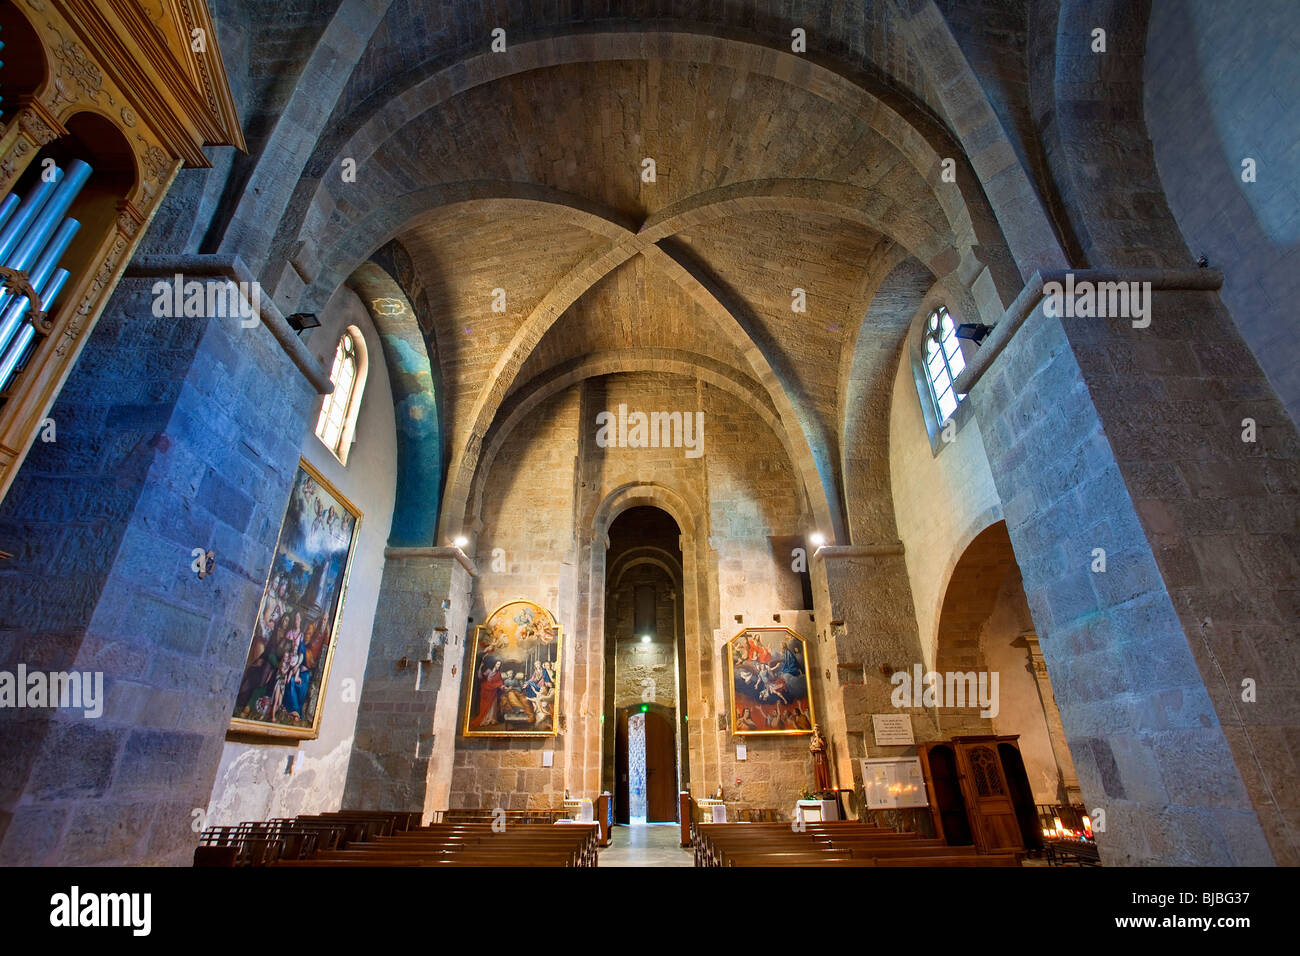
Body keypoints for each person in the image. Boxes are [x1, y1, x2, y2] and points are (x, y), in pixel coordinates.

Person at [470, 660, 504, 728]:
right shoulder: (488, 671)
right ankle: (485, 720)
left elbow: (500, 682)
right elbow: (480, 677)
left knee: (493, 705)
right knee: (485, 705)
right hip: (486, 690)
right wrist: (480, 667)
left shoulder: (499, 673)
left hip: (493, 691)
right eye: (497, 664)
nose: (498, 666)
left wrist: (502, 686)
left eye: (499, 665)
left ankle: (492, 719)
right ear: (495, 664)